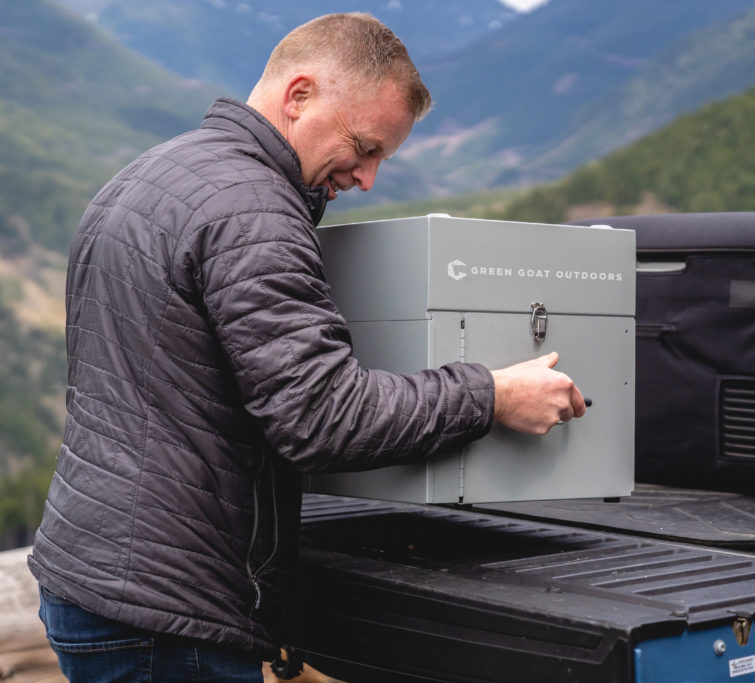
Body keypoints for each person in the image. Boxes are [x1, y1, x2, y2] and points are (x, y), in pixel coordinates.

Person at [28, 13, 586, 682]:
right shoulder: (254, 212)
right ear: (298, 96)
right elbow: (325, 417)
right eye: (365, 145)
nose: (368, 178)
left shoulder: (149, 175)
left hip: (93, 578)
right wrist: (493, 393)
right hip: (165, 615)